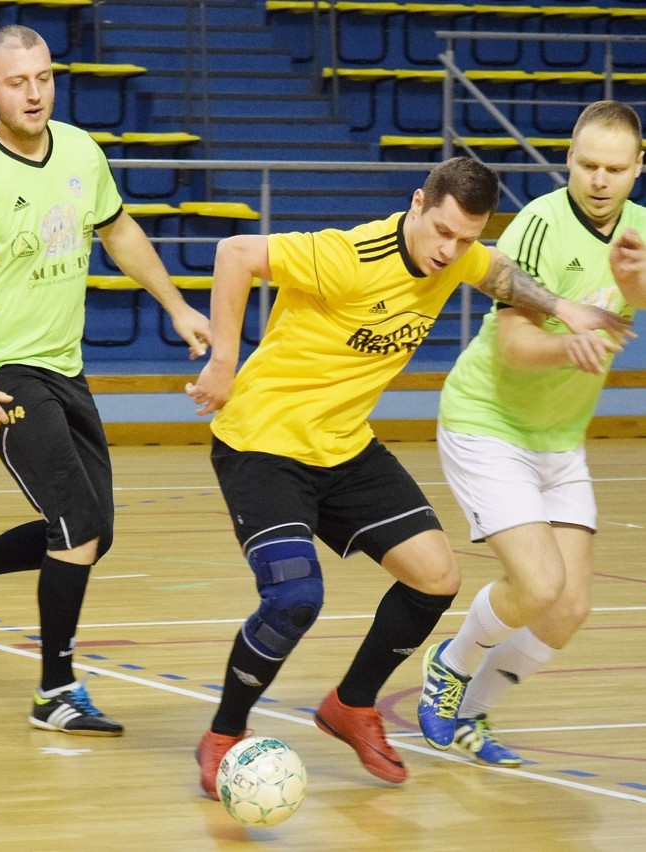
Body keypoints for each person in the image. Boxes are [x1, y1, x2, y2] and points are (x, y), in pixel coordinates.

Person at [184, 155, 631, 799]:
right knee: (293, 598)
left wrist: (565, 306)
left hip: (344, 448)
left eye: (466, 238)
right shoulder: (348, 256)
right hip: (263, 444)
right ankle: (224, 733)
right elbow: (234, 253)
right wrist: (225, 360)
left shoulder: (462, 254)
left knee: (436, 577)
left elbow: (499, 272)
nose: (451, 251)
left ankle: (351, 704)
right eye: (442, 231)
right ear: (417, 204)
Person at [0, 25, 210, 735]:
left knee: (92, 530)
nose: (34, 92)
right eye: (17, 81)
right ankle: (54, 691)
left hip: (66, 365)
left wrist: (177, 305)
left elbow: (119, 229)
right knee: (75, 530)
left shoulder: (79, 148)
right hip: (2, 372)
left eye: (43, 77)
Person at [418, 101, 646, 766]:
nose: (599, 180)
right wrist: (568, 343)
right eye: (586, 165)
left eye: (614, 168)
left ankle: (472, 711)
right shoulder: (538, 227)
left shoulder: (638, 228)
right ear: (568, 159)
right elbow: (515, 345)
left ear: (638, 166)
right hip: (488, 422)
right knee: (539, 584)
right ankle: (449, 664)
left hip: (559, 438)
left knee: (566, 610)